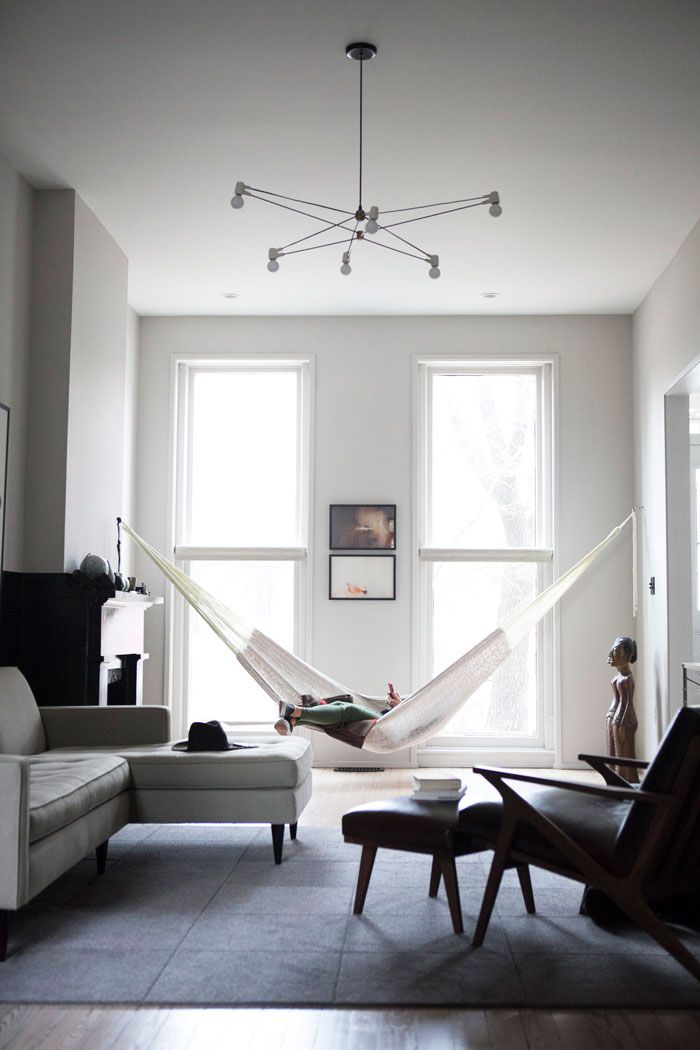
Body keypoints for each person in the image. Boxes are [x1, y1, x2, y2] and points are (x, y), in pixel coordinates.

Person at [274, 682, 402, 736]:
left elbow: (404, 723)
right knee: (339, 704)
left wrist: (398, 706)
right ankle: (293, 720)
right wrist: (394, 705)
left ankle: (293, 711)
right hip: (384, 717)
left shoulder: (413, 717)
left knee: (349, 710)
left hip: (385, 724)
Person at [605, 636, 639, 783]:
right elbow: (618, 700)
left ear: (627, 656)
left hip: (624, 719)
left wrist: (622, 723)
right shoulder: (619, 676)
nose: (611, 654)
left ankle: (627, 780)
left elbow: (628, 703)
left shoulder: (627, 679)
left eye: (616, 650)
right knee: (612, 753)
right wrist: (610, 716)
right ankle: (613, 780)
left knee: (623, 753)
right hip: (614, 716)